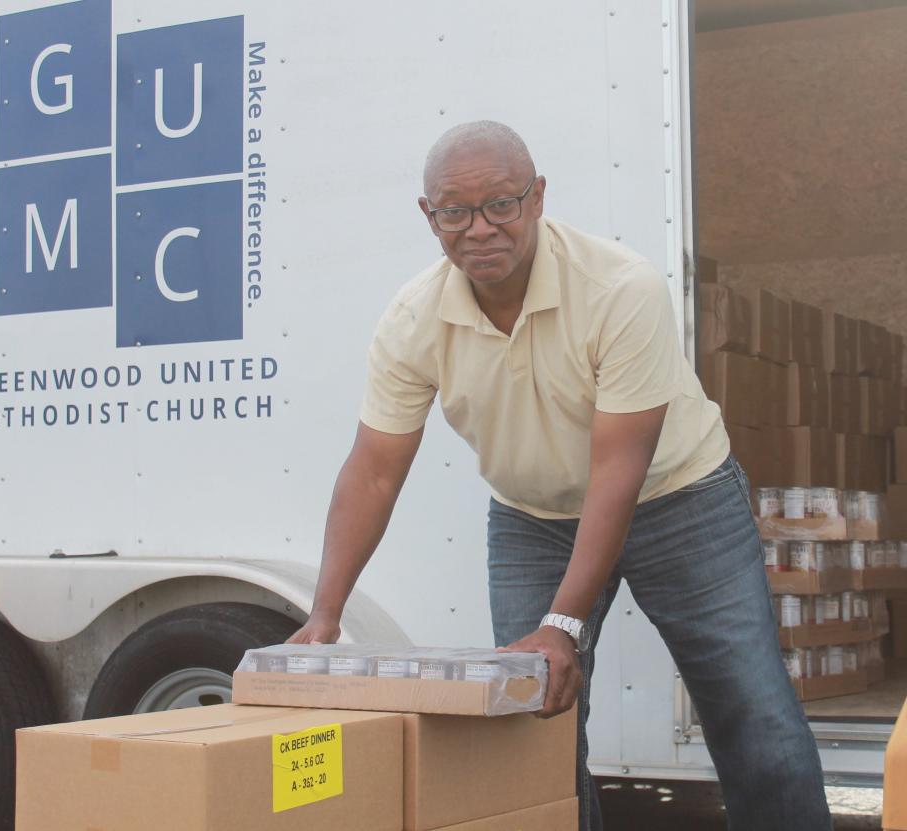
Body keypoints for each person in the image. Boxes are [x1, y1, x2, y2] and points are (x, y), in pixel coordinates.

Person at [288, 120, 832, 831]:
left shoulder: (618, 287)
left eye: (501, 204)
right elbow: (373, 473)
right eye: (455, 210)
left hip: (680, 499)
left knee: (753, 713)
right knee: (531, 721)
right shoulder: (412, 319)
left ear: (537, 196)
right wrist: (324, 614)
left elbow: (618, 468)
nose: (479, 228)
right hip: (533, 516)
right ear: (430, 216)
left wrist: (561, 623)